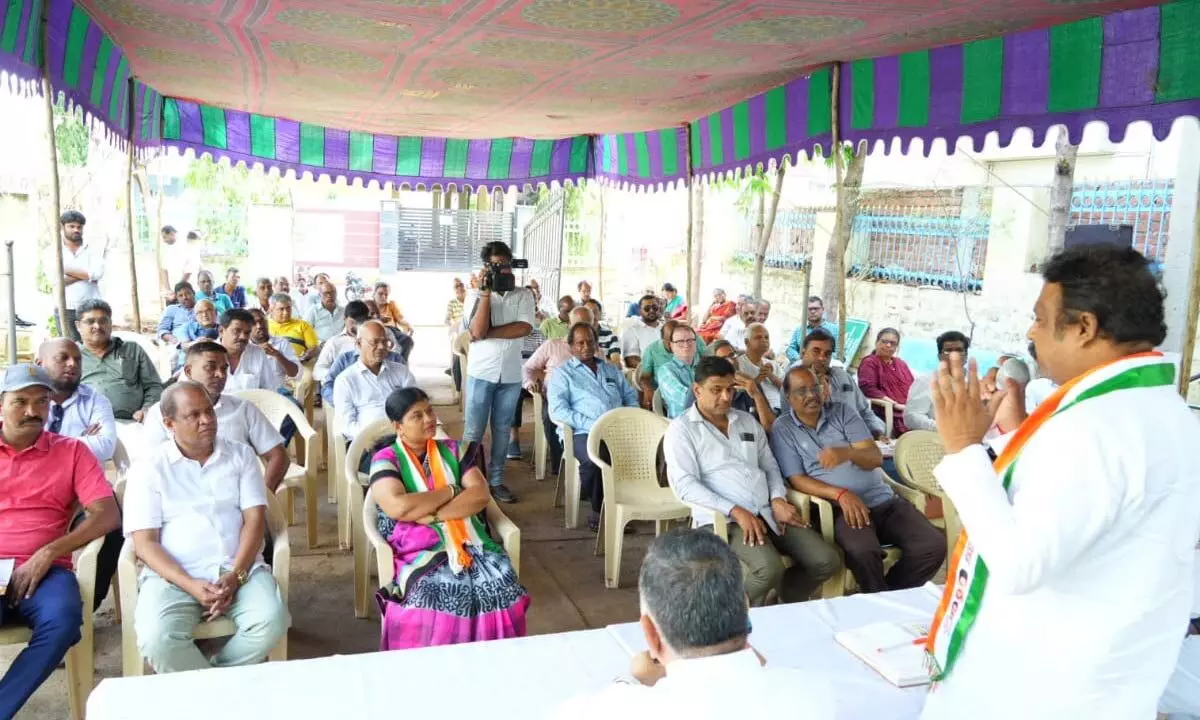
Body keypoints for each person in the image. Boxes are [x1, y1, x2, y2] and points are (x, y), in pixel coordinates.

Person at [920, 246, 1200, 720]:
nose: (1030, 332)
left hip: (1041, 691)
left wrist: (965, 447)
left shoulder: (1093, 426)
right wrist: (1015, 434)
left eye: (1040, 318)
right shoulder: (1166, 412)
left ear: (1084, 327)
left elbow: (1020, 563)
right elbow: (1079, 513)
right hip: (1101, 683)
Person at [551, 529, 834, 719]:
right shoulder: (821, 697)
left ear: (650, 633)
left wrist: (630, 679)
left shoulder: (609, 709)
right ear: (746, 607)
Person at [123, 382, 289, 674]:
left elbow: (254, 520)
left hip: (237, 568)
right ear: (169, 423)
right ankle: (217, 689)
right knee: (158, 639)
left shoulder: (240, 455)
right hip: (173, 575)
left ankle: (211, 680)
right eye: (194, 415)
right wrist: (190, 585)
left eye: (209, 412)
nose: (207, 421)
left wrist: (236, 575)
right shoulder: (149, 467)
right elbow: (145, 543)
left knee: (271, 620)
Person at [663, 356, 840, 606]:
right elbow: (684, 485)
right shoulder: (682, 430)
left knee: (826, 560)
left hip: (767, 509)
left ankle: (783, 601)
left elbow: (769, 465)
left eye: (730, 389)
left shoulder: (745, 420)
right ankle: (726, 616)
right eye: (716, 390)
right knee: (768, 568)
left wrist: (778, 498)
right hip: (724, 520)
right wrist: (736, 511)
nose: (726, 397)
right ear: (697, 390)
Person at [0, 364, 120, 718]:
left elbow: (108, 514)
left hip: (48, 570)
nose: (32, 411)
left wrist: (49, 551)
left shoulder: (72, 452)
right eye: (20, 401)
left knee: (64, 620)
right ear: (1, 405)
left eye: (41, 402)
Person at [369, 387, 529, 649]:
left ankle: (495, 666)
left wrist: (434, 515)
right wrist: (452, 491)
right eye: (417, 416)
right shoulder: (386, 459)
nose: (429, 419)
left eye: (429, 411)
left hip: (467, 540)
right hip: (418, 547)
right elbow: (399, 507)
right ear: (398, 426)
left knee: (502, 587)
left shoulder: (455, 450)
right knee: (432, 596)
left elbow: (479, 495)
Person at [770, 366, 945, 593]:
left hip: (883, 500)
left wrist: (847, 453)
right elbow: (797, 479)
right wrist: (840, 494)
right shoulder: (784, 428)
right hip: (840, 507)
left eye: (815, 388)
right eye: (801, 391)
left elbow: (874, 458)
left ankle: (888, 595)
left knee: (933, 545)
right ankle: (877, 596)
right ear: (788, 397)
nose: (811, 395)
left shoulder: (843, 412)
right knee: (864, 552)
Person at [37, 340, 123, 610]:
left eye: (77, 359)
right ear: (40, 364)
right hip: (32, 490)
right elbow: (17, 444)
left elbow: (105, 445)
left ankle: (84, 610)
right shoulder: (27, 401)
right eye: (63, 358)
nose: (72, 364)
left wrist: (43, 445)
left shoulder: (95, 399)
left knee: (112, 529)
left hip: (84, 490)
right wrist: (76, 443)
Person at [141, 342, 288, 493]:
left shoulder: (243, 409)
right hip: (183, 497)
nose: (221, 375)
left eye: (224, 368)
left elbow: (278, 455)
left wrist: (262, 495)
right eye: (211, 367)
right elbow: (151, 464)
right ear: (188, 371)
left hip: (236, 496)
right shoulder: (161, 413)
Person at [548, 323, 640, 531]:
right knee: (594, 459)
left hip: (618, 428)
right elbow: (558, 411)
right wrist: (595, 425)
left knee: (642, 452)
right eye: (580, 343)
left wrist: (630, 417)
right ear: (570, 346)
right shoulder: (563, 375)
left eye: (590, 341)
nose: (586, 347)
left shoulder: (610, 370)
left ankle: (629, 506)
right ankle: (600, 511)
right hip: (581, 432)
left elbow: (630, 396)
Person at [463, 241, 535, 504]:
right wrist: (484, 294)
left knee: (502, 430)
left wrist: (486, 334)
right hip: (482, 372)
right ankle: (467, 480)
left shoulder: (523, 295)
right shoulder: (474, 296)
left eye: (505, 264)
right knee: (474, 430)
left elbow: (525, 328)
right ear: (485, 267)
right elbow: (476, 329)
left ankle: (495, 481)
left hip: (511, 374)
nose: (502, 269)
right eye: (495, 265)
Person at [523, 306, 596, 478]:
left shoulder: (595, 349)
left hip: (587, 402)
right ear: (569, 325)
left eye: (588, 324)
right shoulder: (553, 345)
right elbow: (528, 368)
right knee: (552, 417)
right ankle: (561, 465)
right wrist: (530, 383)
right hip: (557, 400)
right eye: (579, 324)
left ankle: (590, 468)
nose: (584, 330)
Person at [77, 298, 162, 423]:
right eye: (90, 321)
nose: (97, 326)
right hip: (90, 426)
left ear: (111, 323)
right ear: (78, 326)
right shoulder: (71, 356)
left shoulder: (132, 349)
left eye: (103, 321)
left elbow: (153, 386)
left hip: (134, 424)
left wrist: (146, 409)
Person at [332, 321, 417, 441]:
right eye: (375, 342)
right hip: (369, 443)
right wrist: (374, 436)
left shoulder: (401, 371)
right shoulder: (345, 380)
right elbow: (346, 425)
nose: (382, 347)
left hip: (405, 437)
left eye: (384, 342)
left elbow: (416, 406)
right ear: (359, 344)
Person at [798, 329, 886, 439]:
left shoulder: (842, 376)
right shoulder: (793, 384)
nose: (822, 358)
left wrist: (877, 432)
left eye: (827, 354)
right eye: (816, 351)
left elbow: (864, 411)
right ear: (802, 354)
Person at [904, 330, 969, 432]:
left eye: (959, 350)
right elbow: (911, 417)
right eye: (948, 351)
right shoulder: (926, 381)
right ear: (940, 357)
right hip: (935, 441)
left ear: (966, 356)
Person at [855, 328, 915, 437]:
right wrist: (896, 405)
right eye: (884, 341)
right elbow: (869, 389)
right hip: (887, 411)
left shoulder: (901, 364)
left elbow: (913, 387)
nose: (888, 345)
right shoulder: (870, 362)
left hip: (909, 409)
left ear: (897, 347)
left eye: (893, 343)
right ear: (876, 342)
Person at [55, 210, 102, 341]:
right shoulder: (54, 251)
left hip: (92, 305)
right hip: (66, 306)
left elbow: (97, 273)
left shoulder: (92, 249)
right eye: (72, 226)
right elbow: (56, 280)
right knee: (70, 346)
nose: (76, 230)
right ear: (62, 227)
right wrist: (86, 275)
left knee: (93, 343)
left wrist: (66, 270)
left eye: (79, 227)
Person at [220, 309, 286, 392]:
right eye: (237, 331)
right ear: (221, 331)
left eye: (247, 333)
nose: (243, 337)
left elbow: (270, 390)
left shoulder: (257, 353)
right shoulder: (206, 354)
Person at [314, 300, 370, 382]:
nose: (356, 326)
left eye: (360, 322)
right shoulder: (334, 342)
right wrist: (338, 376)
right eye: (353, 322)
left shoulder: (374, 340)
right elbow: (318, 371)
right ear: (344, 318)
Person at [247, 308, 301, 389]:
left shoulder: (281, 342)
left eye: (262, 321)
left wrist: (277, 354)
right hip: (253, 394)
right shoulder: (244, 347)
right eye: (254, 323)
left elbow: (294, 373)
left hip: (278, 393)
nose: (259, 326)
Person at [656, 324, 701, 419]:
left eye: (690, 340)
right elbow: (685, 400)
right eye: (680, 341)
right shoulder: (665, 371)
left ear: (695, 343)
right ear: (671, 346)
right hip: (683, 423)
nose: (686, 345)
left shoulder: (705, 365)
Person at [737, 323, 783, 415]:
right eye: (758, 337)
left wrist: (771, 376)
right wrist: (757, 380)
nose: (764, 340)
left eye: (766, 337)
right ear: (746, 342)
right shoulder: (739, 365)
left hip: (783, 409)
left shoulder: (772, 365)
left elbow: (787, 390)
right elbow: (740, 394)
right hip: (758, 412)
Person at [785, 296, 839, 364]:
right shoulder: (799, 329)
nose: (813, 311)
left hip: (825, 366)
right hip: (801, 366)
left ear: (822, 310)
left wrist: (820, 359)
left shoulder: (834, 329)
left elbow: (838, 352)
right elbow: (791, 349)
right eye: (809, 309)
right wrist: (800, 359)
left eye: (816, 308)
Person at [267, 293, 319, 363]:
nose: (286, 312)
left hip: (300, 364)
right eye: (281, 309)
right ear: (271, 309)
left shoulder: (302, 325)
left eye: (288, 308)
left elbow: (314, 347)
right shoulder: (264, 325)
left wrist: (304, 357)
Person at [620, 294, 663, 369]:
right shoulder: (631, 330)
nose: (651, 310)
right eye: (647, 308)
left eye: (655, 307)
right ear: (640, 311)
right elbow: (631, 360)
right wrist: (654, 370)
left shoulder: (664, 327)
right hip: (649, 374)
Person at [157, 281, 197, 351]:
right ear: (177, 298)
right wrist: (174, 340)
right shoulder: (171, 309)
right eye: (180, 295)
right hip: (178, 345)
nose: (185, 297)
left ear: (193, 293)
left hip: (198, 343)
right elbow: (162, 330)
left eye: (187, 293)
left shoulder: (202, 307)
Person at [445, 278, 467, 392]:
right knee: (458, 356)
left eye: (461, 288)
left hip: (469, 330)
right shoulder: (452, 303)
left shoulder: (470, 300)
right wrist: (454, 325)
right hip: (458, 331)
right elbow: (447, 320)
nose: (460, 290)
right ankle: (459, 388)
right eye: (457, 288)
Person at [585, 298, 620, 362]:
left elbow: (616, 363)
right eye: (588, 312)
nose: (591, 316)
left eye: (594, 312)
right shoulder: (575, 336)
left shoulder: (610, 336)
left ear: (600, 314)